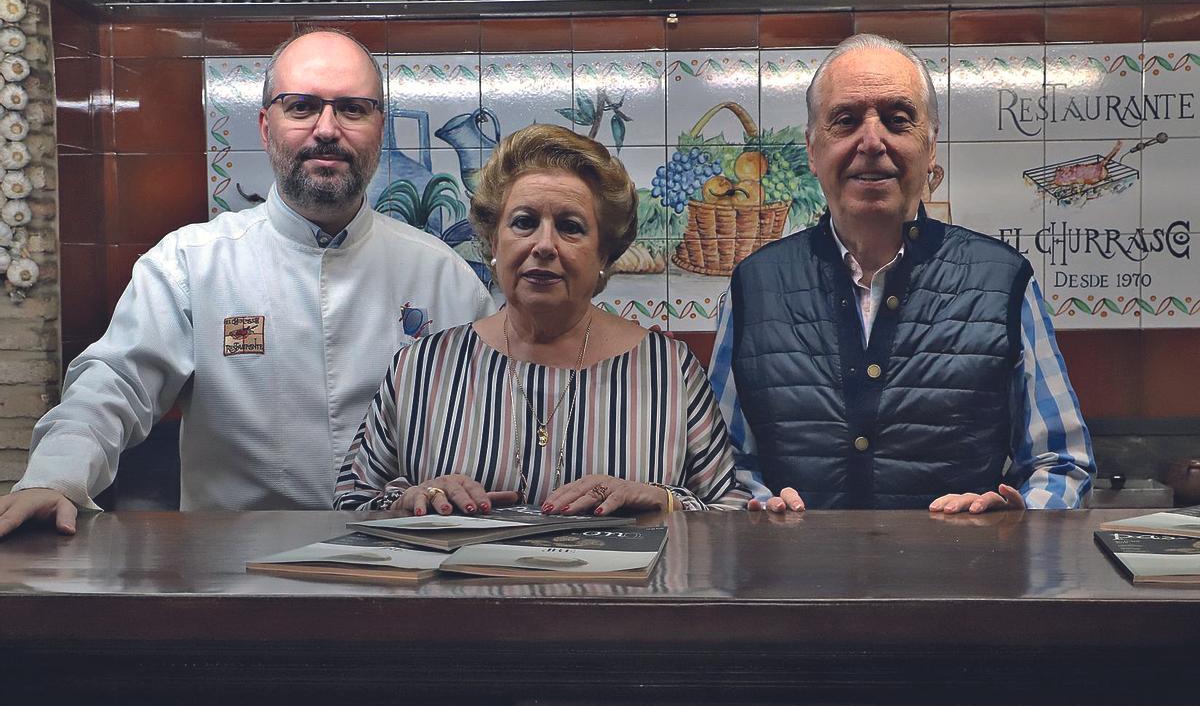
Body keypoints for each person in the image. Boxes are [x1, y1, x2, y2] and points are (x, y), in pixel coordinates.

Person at [0, 29, 494, 536]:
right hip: (233, 571)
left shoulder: (444, 276)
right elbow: (115, 385)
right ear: (265, 126)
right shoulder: (190, 264)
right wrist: (54, 478)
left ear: (379, 126)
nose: (327, 128)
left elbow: (500, 417)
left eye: (351, 109)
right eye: (300, 107)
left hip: (405, 563)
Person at [709, 33, 1094, 514]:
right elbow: (721, 466)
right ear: (812, 150)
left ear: (930, 147)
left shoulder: (1004, 282)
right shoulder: (753, 286)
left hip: (962, 582)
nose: (871, 142)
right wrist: (758, 506)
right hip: (796, 585)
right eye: (845, 121)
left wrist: (1018, 521)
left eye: (897, 120)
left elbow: (1061, 463)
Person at [335, 124, 745, 516]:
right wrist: (410, 499)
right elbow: (350, 504)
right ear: (494, 242)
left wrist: (662, 500)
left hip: (623, 591)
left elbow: (732, 511)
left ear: (604, 256)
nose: (544, 245)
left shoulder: (669, 370)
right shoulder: (422, 367)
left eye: (570, 227)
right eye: (524, 223)